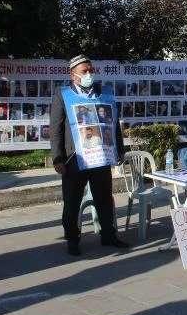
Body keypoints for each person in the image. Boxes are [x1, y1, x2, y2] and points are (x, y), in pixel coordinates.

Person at [50, 54, 129, 256]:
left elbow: (113, 124)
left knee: (104, 198)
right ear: (73, 74)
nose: (89, 74)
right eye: (84, 71)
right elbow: (56, 129)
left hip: (100, 156)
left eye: (91, 70)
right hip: (74, 158)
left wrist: (120, 149)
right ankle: (73, 239)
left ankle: (108, 235)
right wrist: (58, 158)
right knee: (72, 202)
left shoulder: (104, 93)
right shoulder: (63, 95)